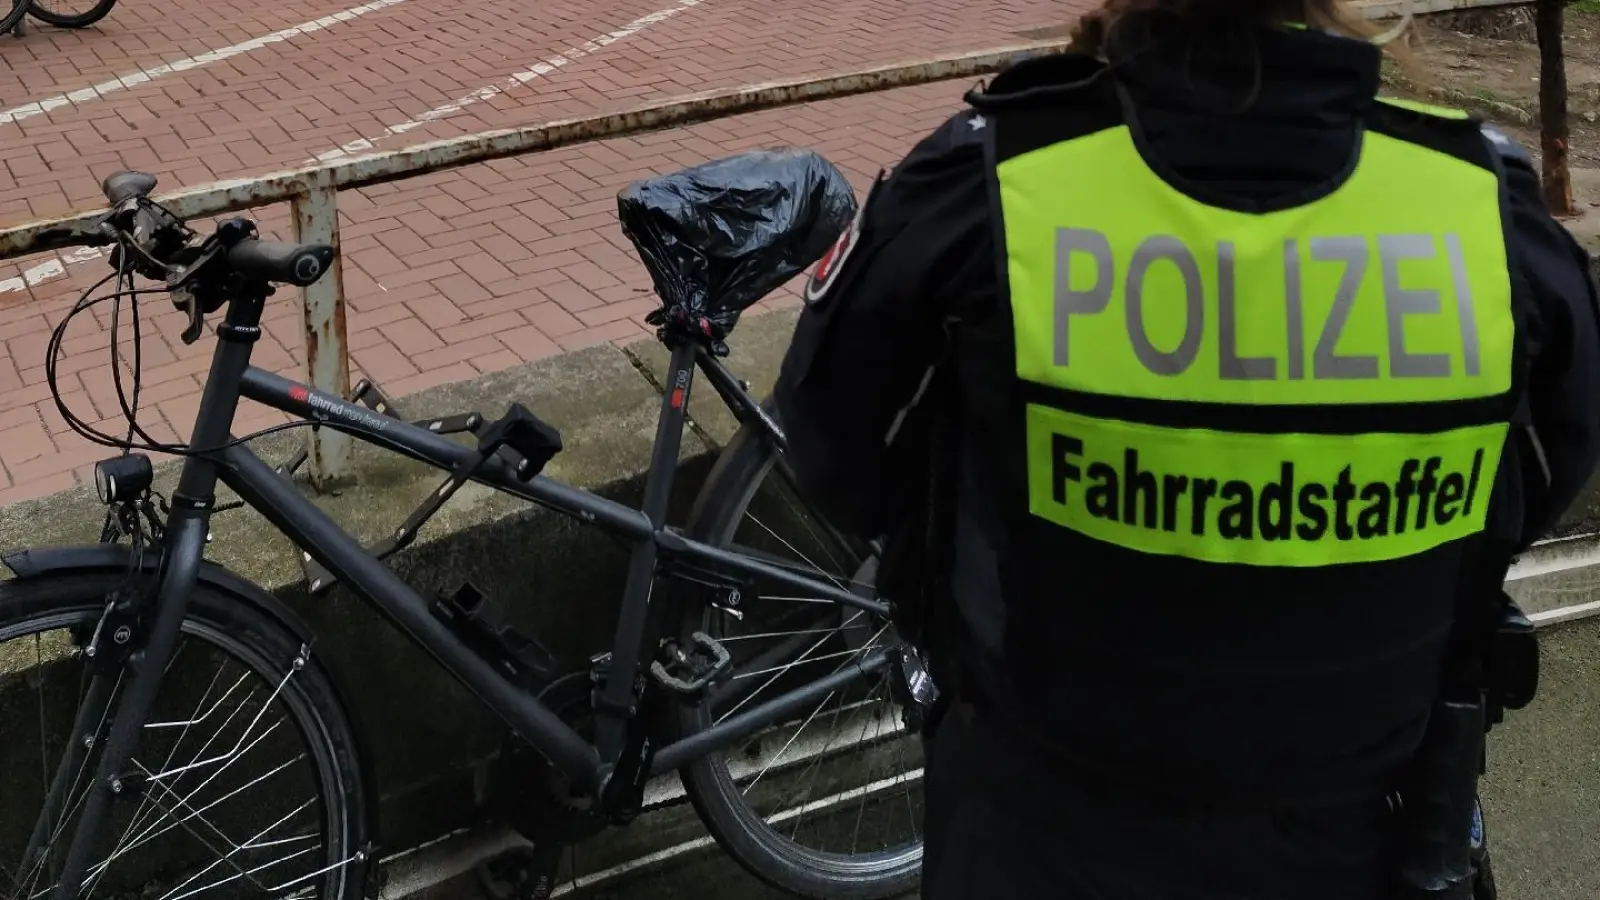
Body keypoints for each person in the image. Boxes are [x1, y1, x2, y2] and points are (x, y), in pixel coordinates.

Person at [771, 0, 1600, 897]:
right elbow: (1544, 468)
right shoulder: (1479, 203)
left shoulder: (994, 177)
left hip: (1041, 830)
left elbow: (835, 449)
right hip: (1365, 836)